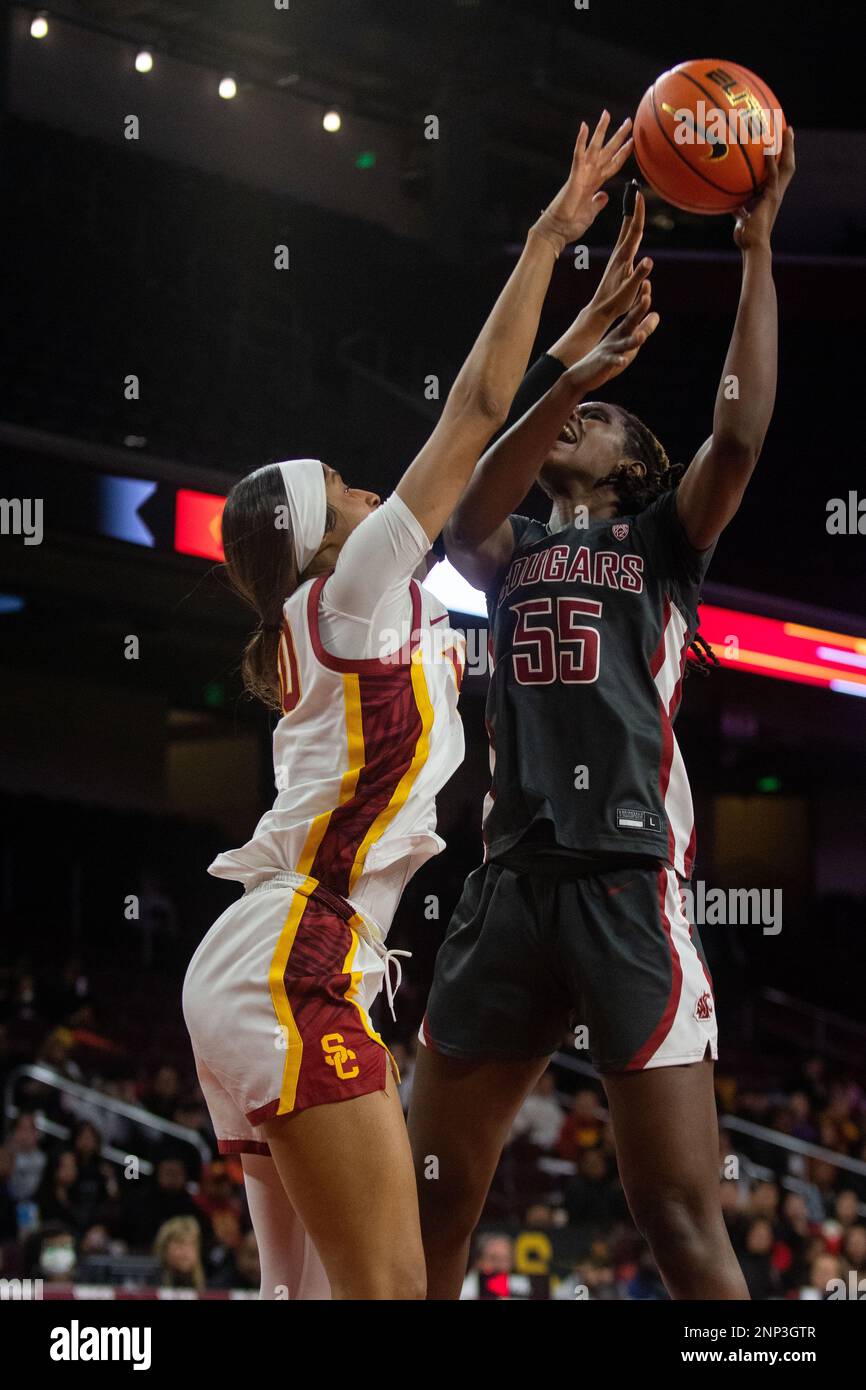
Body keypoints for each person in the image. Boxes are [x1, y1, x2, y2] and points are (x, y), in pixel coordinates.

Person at [182, 112, 637, 1301]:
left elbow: (493, 435)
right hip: (296, 957)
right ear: (320, 534)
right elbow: (471, 412)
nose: (359, 483)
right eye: (337, 487)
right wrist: (546, 238)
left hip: (271, 963)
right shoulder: (352, 590)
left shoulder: (342, 612)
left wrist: (572, 371)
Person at [408, 131, 796, 1300]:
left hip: (628, 881)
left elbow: (736, 432)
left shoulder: (660, 547)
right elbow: (469, 506)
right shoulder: (506, 543)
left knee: (675, 1215)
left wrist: (755, 250)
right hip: (511, 881)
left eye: (603, 417)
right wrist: (570, 371)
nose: (579, 422)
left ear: (634, 469)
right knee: (430, 1192)